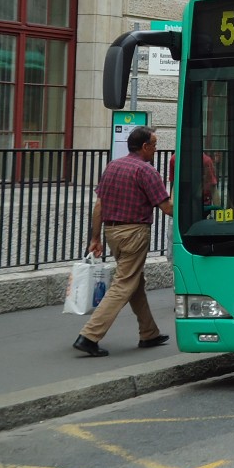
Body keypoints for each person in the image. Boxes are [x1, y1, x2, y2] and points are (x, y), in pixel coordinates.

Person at [73, 125, 173, 357]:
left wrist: (95, 238)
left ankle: (149, 333)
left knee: (134, 282)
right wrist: (190, 208)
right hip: (134, 233)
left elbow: (99, 205)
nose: (156, 149)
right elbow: (167, 208)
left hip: (112, 233)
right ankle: (89, 336)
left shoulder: (113, 166)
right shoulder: (146, 171)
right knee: (123, 284)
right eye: (154, 145)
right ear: (145, 146)